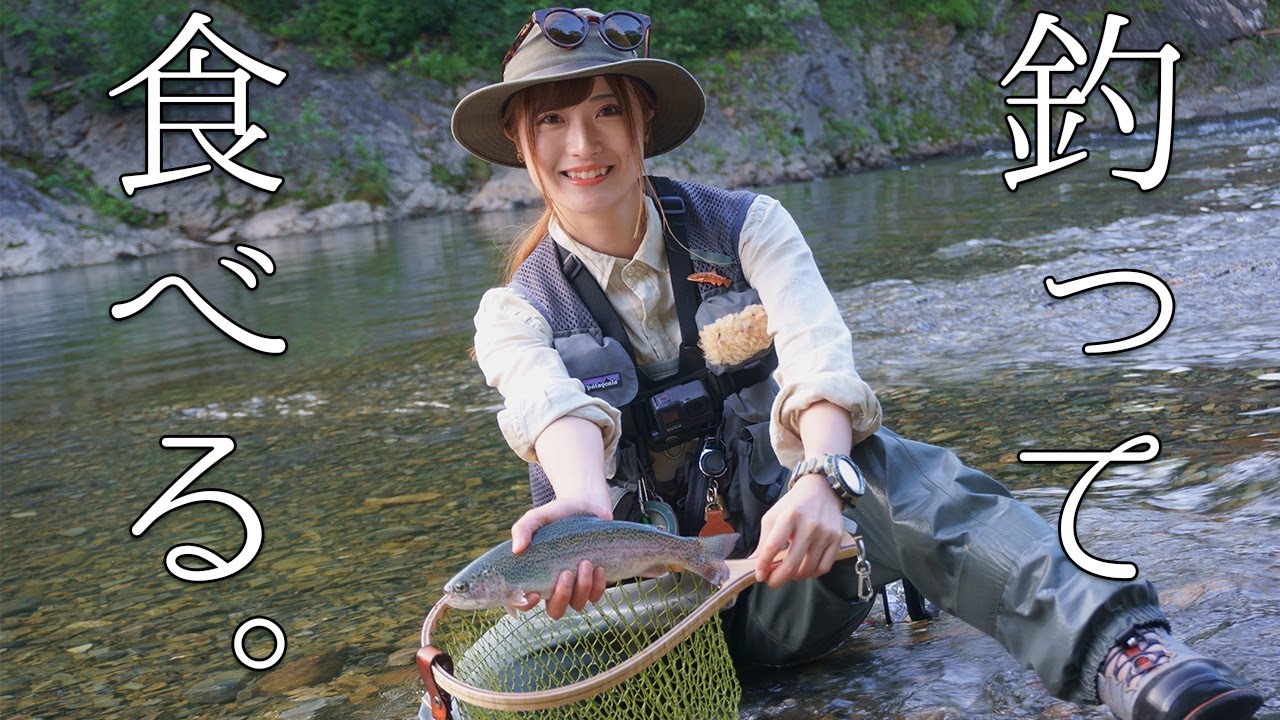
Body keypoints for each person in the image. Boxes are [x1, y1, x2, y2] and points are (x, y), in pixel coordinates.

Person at [447, 7, 1264, 719]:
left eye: (603, 112)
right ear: (521, 143)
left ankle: (1126, 654)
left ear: (643, 123)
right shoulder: (515, 311)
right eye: (551, 121)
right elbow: (549, 403)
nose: (581, 144)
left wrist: (823, 479)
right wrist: (587, 510)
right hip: (647, 637)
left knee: (878, 462)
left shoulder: (749, 225)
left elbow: (817, 352)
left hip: (789, 579)